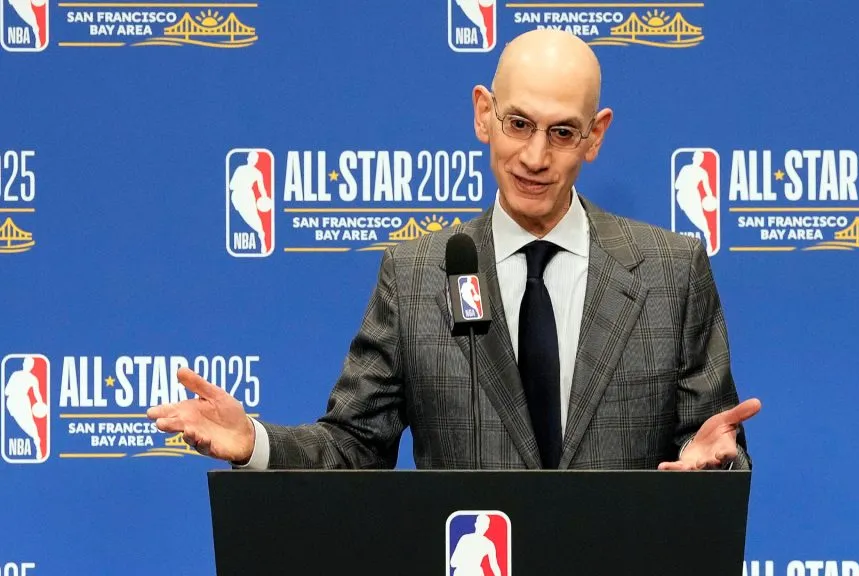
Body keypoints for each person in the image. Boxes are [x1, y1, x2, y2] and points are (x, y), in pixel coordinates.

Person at [147, 28, 761, 471]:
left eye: (562, 132)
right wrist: (256, 443)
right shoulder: (416, 276)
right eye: (518, 123)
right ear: (483, 115)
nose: (535, 157)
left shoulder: (670, 273)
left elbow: (709, 446)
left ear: (595, 136)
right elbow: (354, 446)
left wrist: (715, 468)